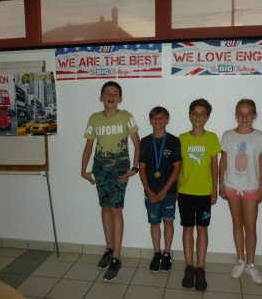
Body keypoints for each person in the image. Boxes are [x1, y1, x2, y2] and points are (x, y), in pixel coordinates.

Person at [81, 81, 140, 282]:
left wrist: (135, 168)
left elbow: (137, 144)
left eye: (115, 93)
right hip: (100, 170)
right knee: (105, 208)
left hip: (119, 171)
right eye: (107, 93)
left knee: (116, 210)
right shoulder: (94, 118)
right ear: (101, 98)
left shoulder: (127, 117)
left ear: (120, 98)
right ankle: (108, 249)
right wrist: (83, 169)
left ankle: (116, 257)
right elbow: (89, 145)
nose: (111, 96)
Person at [218, 99, 262, 284]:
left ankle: (251, 265)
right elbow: (223, 161)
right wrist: (220, 184)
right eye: (240, 113)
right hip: (231, 185)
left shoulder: (260, 137)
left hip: (251, 186)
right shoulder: (228, 135)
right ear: (236, 114)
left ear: (254, 115)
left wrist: (261, 186)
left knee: (251, 227)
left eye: (248, 114)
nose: (244, 117)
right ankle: (240, 260)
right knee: (237, 224)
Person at [178, 98, 221, 291]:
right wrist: (176, 189)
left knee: (202, 229)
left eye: (202, 113)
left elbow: (214, 165)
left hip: (204, 193)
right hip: (185, 192)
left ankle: (200, 267)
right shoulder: (182, 138)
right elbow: (178, 167)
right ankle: (189, 266)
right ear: (189, 115)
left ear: (207, 117)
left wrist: (215, 189)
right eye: (194, 113)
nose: (198, 117)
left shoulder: (212, 138)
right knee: (188, 228)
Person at [139, 106, 181, 272]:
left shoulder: (174, 141)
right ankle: (156, 253)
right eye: (154, 118)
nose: (158, 121)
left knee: (168, 221)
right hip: (150, 190)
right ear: (150, 121)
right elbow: (141, 168)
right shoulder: (145, 142)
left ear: (167, 120)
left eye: (161, 118)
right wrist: (148, 190)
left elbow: (177, 168)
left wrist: (164, 190)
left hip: (168, 191)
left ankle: (167, 253)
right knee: (154, 222)